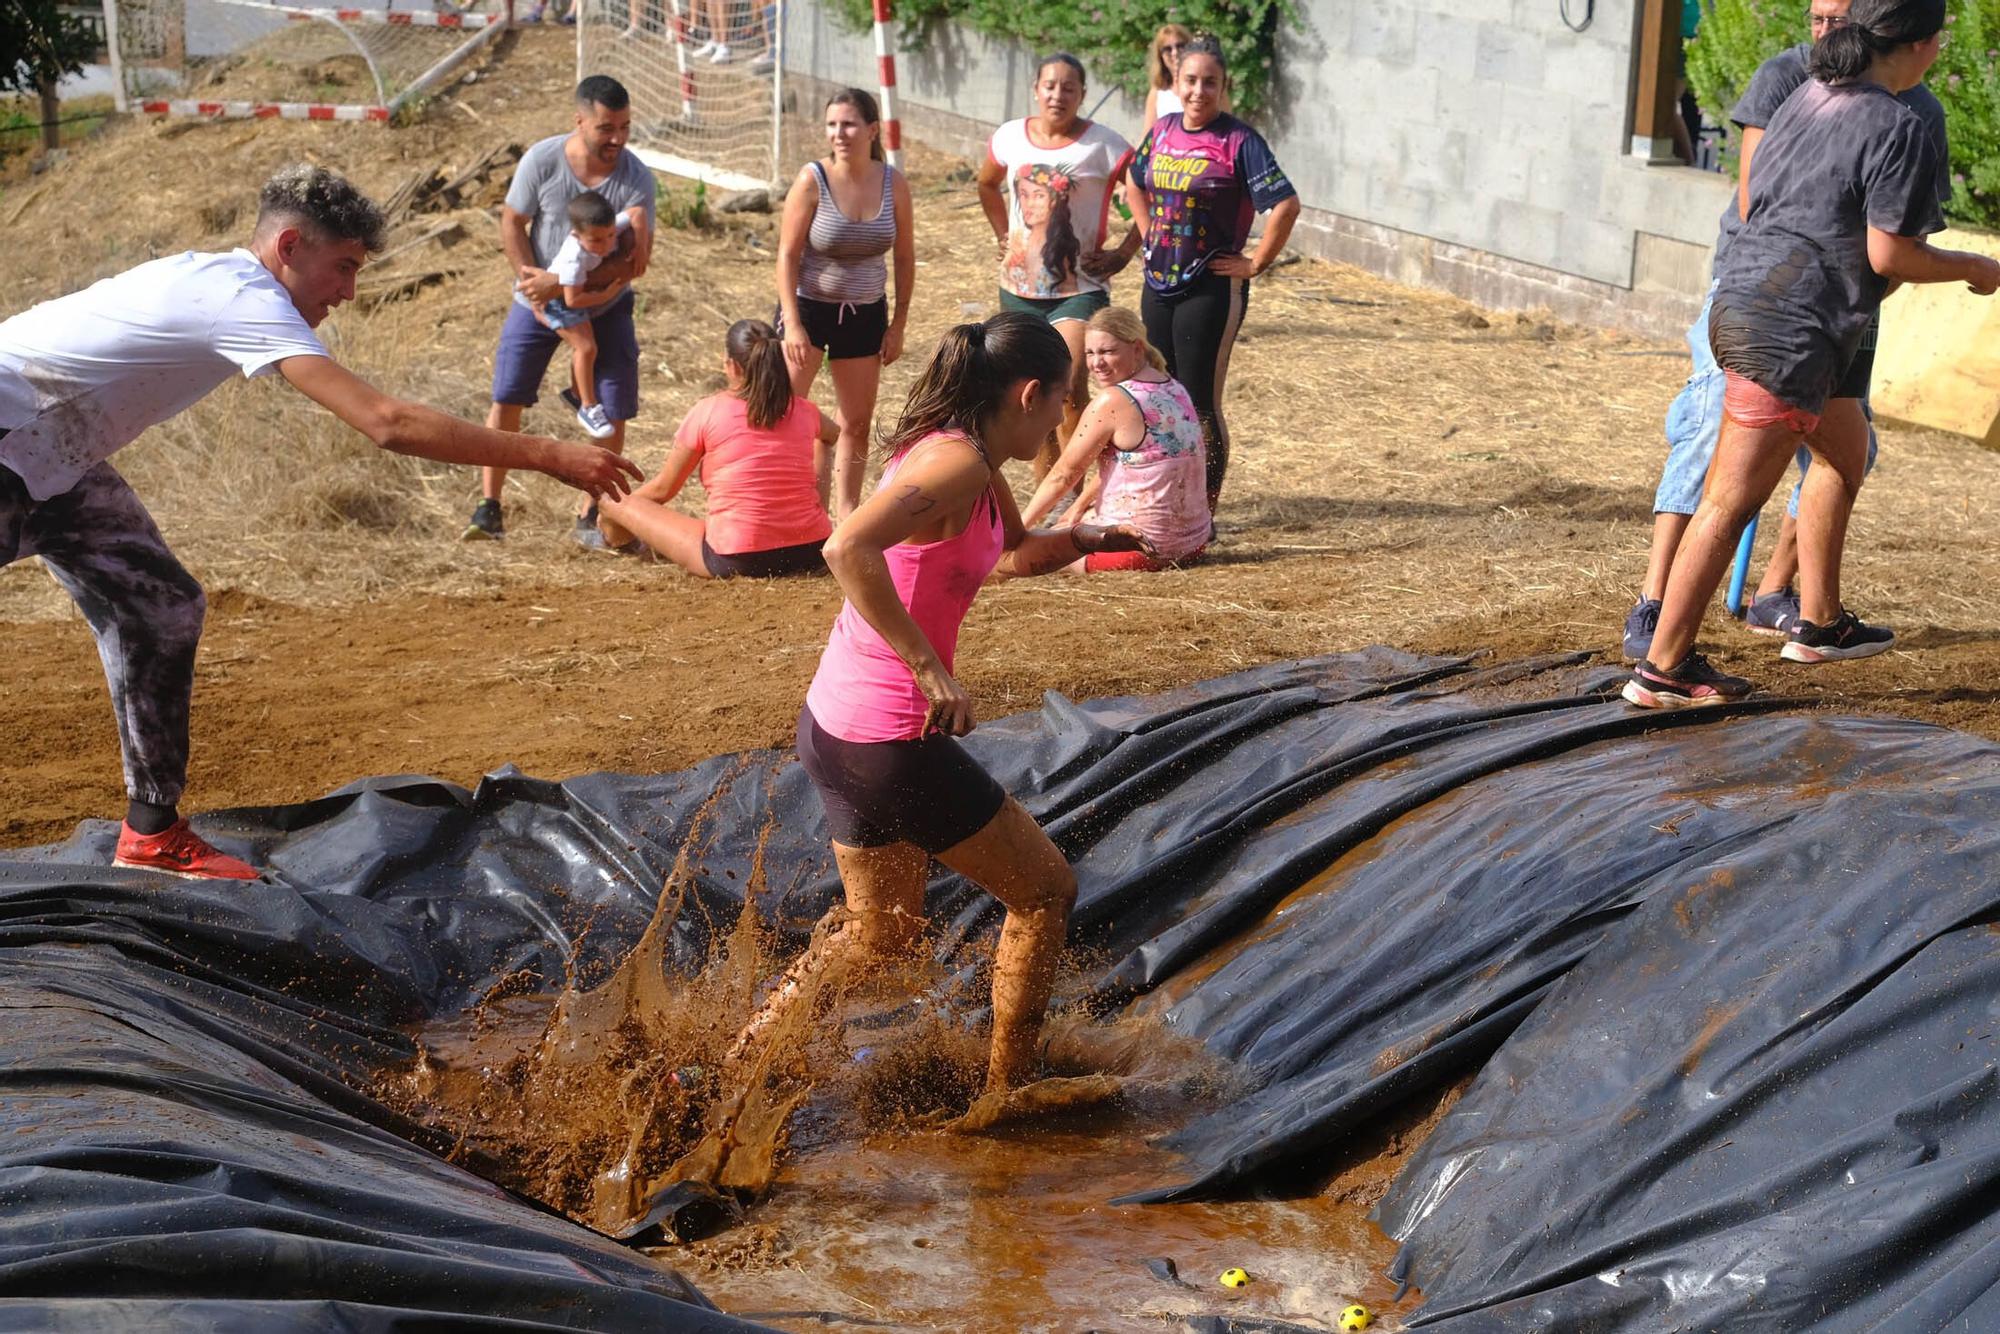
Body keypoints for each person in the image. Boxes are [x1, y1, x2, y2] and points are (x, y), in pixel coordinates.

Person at [0, 165, 641, 878]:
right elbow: (387, 423)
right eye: (341, 267)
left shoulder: (220, 283)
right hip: (8, 433)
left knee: (160, 606)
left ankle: (151, 834)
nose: (348, 291)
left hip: (53, 455)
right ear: (290, 247)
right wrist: (550, 454)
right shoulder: (240, 297)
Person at [726, 313, 1152, 1093]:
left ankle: (727, 1075)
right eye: (1062, 402)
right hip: (890, 738)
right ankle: (1007, 1092)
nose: (1064, 418)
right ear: (1029, 394)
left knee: (878, 938)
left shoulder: (974, 458)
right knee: (1045, 891)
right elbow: (844, 546)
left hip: (839, 727)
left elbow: (1018, 553)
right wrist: (930, 668)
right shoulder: (957, 463)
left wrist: (1089, 537)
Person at [1626, 0, 2000, 709]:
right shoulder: (1899, 125)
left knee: (1845, 453)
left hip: (1746, 300)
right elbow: (1890, 252)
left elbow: (1764, 200)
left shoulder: (1807, 95)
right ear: (1922, 46)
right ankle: (1663, 668)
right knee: (1729, 502)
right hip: (1789, 331)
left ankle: (1820, 622)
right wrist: (1972, 269)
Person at [465, 75, 656, 546]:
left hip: (607, 306)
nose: (617, 139)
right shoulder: (542, 160)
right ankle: (489, 508)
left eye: (625, 127)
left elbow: (635, 263)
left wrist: (562, 282)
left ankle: (590, 513)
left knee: (613, 410)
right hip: (534, 305)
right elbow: (513, 220)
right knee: (507, 398)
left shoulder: (636, 179)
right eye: (606, 128)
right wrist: (532, 279)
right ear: (580, 121)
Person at [1124, 35, 1299, 512]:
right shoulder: (1161, 130)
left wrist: (1256, 262)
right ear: (1175, 83)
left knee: (1198, 399)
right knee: (1160, 393)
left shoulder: (1240, 140)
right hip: (1157, 283)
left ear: (1224, 87)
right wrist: (1149, 232)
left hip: (1211, 286)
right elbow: (1133, 183)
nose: (1199, 91)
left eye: (1210, 83)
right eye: (1191, 81)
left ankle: (1203, 510)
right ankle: (1165, 501)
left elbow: (1285, 204)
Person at [976, 52, 1139, 476]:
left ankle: (1079, 489)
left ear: (1082, 94)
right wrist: (1001, 235)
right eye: (1050, 85)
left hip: (1079, 289)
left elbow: (1149, 199)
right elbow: (986, 183)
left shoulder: (1103, 144)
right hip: (1017, 290)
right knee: (1027, 393)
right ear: (1036, 89)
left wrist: (1123, 253)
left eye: (1070, 87)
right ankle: (1046, 494)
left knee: (1065, 388)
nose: (1058, 95)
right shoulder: (1011, 136)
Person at [595, 319, 837, 577]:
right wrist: (819, 505)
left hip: (738, 558)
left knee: (610, 502)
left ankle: (621, 544)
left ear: (731, 365)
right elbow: (831, 436)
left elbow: (664, 489)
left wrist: (619, 514)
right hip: (812, 550)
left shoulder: (708, 411)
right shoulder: (803, 409)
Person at [776, 88, 914, 523]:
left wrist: (899, 323)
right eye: (833, 124)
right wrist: (793, 324)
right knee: (785, 413)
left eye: (849, 124)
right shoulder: (811, 179)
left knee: (855, 422)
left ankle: (846, 514)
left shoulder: (893, 182)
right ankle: (790, 510)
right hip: (810, 308)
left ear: (872, 130)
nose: (839, 133)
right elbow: (787, 255)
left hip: (864, 312)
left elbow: (905, 255)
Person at [1020, 306, 1209, 571]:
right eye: (1090, 353)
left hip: (1135, 550)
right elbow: (1131, 464)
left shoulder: (1114, 400)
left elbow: (1063, 474)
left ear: (1137, 349)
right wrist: (1079, 505)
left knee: (1027, 553)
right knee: (1068, 523)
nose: (1097, 363)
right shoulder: (1174, 388)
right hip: (1192, 545)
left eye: (1108, 352)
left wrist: (1015, 534)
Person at [541, 191, 649, 440]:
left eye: (611, 235)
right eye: (597, 241)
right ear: (576, 236)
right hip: (560, 304)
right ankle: (588, 407)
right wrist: (606, 293)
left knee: (590, 348)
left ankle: (576, 393)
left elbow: (637, 213)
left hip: (580, 299)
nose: (607, 244)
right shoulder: (573, 259)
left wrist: (641, 246)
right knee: (586, 349)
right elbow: (572, 300)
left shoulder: (603, 228)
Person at [1142, 24, 1191, 128]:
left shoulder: (1206, 86)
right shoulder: (1157, 93)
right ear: (1161, 56)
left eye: (1180, 46)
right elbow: (1148, 136)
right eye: (1168, 49)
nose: (1175, 53)